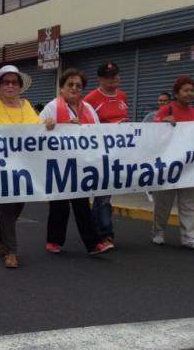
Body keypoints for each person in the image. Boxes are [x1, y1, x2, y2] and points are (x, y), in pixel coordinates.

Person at [41, 68, 114, 256]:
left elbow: (97, 134)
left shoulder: (88, 108)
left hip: (81, 165)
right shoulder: (51, 107)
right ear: (62, 88)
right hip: (58, 165)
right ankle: (54, 241)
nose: (74, 88)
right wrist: (52, 126)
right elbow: (37, 134)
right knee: (59, 206)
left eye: (78, 86)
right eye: (70, 84)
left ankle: (94, 244)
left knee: (82, 205)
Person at [0, 64, 41, 269]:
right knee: (5, 208)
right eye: (6, 82)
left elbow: (38, 131)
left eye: (14, 82)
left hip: (24, 168)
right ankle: (11, 252)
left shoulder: (27, 105)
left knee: (17, 207)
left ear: (20, 86)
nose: (10, 85)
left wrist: (49, 124)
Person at [152, 76, 194, 252]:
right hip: (169, 165)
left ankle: (189, 237)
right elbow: (152, 131)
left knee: (189, 203)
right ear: (176, 93)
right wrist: (163, 122)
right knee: (163, 202)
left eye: (192, 90)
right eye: (185, 90)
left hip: (189, 165)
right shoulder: (166, 109)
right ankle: (158, 232)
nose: (189, 93)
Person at [84, 61, 129, 248]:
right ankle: (105, 234)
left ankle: (97, 230)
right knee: (103, 195)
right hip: (100, 152)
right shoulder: (91, 99)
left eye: (116, 74)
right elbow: (86, 125)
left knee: (105, 194)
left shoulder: (122, 95)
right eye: (110, 76)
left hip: (119, 152)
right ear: (100, 79)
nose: (114, 78)